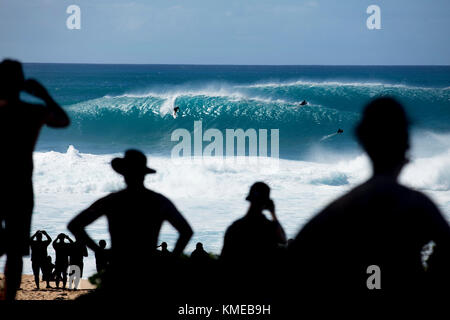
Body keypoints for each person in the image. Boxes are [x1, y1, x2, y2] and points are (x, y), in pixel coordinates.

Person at [289, 97, 450, 299]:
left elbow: (297, 263)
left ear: (362, 140)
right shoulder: (418, 206)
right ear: (406, 144)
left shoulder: (337, 210)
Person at [67, 149, 193, 297]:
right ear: (143, 174)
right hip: (148, 268)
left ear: (123, 174)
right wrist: (172, 259)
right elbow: (186, 231)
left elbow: (74, 225)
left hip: (119, 268)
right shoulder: (158, 201)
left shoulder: (112, 201)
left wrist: (99, 251)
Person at [0, 59, 70, 300]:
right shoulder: (32, 112)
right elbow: (63, 120)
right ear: (22, 83)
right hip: (20, 186)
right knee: (14, 253)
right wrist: (45, 96)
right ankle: (8, 296)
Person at [220, 182, 287, 300]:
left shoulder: (235, 227)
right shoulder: (268, 227)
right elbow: (283, 240)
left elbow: (224, 260)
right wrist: (273, 213)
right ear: (266, 202)